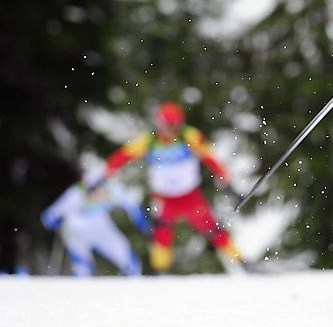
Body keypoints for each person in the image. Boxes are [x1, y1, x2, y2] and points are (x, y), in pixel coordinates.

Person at [97, 102, 246, 273]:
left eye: (175, 125)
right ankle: (161, 272)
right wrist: (103, 176)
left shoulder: (189, 136)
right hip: (164, 197)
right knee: (161, 233)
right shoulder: (149, 140)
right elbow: (123, 156)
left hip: (190, 195)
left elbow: (210, 158)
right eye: (168, 125)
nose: (171, 130)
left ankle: (241, 262)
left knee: (212, 229)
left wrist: (228, 184)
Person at [41, 169, 149, 277]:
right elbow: (48, 217)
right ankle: (80, 286)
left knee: (127, 258)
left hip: (101, 229)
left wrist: (143, 224)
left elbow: (131, 204)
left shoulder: (110, 192)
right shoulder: (75, 194)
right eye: (91, 188)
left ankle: (133, 280)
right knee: (82, 267)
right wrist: (55, 221)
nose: (96, 191)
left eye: (98, 186)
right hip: (76, 231)